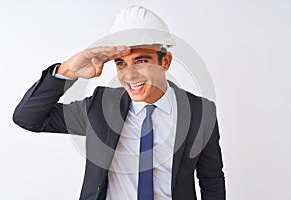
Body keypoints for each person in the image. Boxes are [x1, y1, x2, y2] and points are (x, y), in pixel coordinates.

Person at [13, 6, 225, 200]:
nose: (130, 75)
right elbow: (28, 118)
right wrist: (67, 71)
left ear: (165, 61)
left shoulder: (200, 112)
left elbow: (211, 180)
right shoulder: (100, 107)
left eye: (141, 61)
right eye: (121, 63)